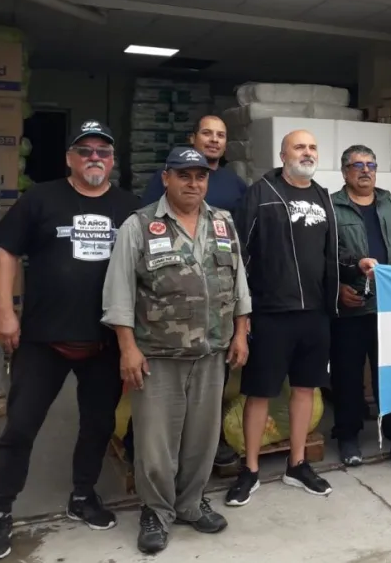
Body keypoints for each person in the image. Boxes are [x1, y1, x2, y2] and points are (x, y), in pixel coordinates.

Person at [0, 121, 139, 562]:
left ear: (112, 161)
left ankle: (82, 496)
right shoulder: (40, 199)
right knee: (21, 428)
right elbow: (6, 252)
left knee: (97, 425)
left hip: (103, 341)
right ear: (69, 158)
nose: (94, 158)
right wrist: (6, 312)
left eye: (102, 152)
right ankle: (0, 511)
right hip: (43, 340)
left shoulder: (130, 207)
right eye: (84, 150)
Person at [101, 147, 250, 554]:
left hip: (211, 351)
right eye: (184, 175)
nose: (193, 183)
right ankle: (156, 510)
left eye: (199, 176)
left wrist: (240, 332)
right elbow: (118, 293)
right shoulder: (140, 225)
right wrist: (127, 349)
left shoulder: (223, 222)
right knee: (155, 443)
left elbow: (239, 284)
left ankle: (190, 503)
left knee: (202, 438)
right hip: (158, 354)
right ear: (166, 178)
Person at [225, 130, 340, 507]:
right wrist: (242, 316)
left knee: (306, 388)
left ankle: (297, 463)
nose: (307, 153)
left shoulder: (323, 195)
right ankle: (251, 469)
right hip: (272, 312)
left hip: (315, 313)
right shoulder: (260, 194)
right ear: (283, 153)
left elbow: (328, 253)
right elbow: (239, 255)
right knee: (259, 392)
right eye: (299, 147)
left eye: (312, 147)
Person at [136, 113, 247, 472]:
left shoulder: (233, 186)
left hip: (215, 319)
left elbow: (238, 253)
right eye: (207, 134)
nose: (214, 140)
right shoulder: (155, 194)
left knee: (208, 398)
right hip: (166, 326)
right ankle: (155, 475)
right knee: (161, 408)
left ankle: (205, 455)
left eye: (220, 135)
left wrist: (241, 322)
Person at [331, 145, 391, 471]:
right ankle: (348, 435)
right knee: (348, 376)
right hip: (351, 305)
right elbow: (323, 255)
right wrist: (336, 288)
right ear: (345, 172)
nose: (365, 170)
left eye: (370, 164)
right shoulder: (332, 207)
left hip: (390, 307)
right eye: (357, 165)